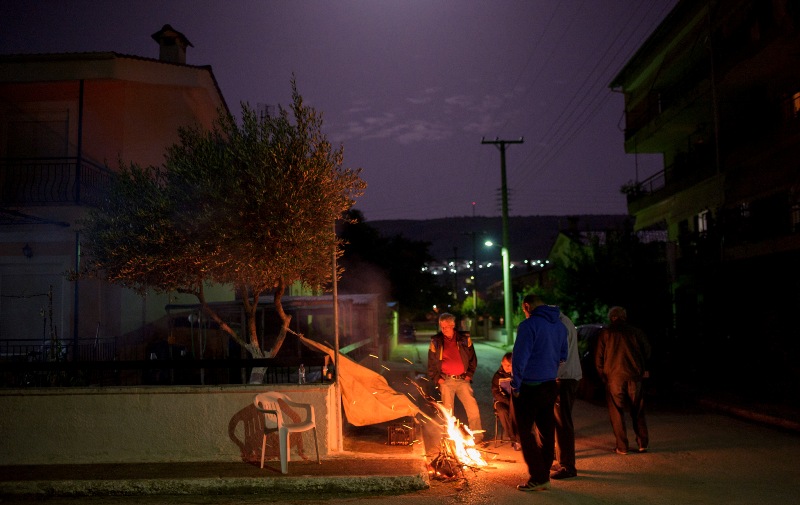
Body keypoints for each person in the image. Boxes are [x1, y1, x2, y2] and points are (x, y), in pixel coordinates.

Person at [511, 294, 568, 492]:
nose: (524, 313)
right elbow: (563, 356)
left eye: (524, 309)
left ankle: (538, 476)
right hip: (550, 385)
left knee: (525, 432)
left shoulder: (528, 325)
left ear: (527, 306)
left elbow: (519, 358)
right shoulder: (560, 325)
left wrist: (516, 386)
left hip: (530, 387)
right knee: (546, 431)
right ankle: (544, 475)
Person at [595, 306, 652, 455]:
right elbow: (647, 351)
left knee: (616, 412)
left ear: (611, 317)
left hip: (614, 378)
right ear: (624, 317)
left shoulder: (606, 333)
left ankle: (622, 446)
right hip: (634, 377)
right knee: (637, 410)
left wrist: (603, 376)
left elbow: (598, 358)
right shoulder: (635, 332)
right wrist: (641, 367)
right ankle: (642, 443)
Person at [428, 312, 483, 443]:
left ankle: (478, 436)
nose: (443, 330)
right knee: (448, 412)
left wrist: (469, 375)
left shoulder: (464, 339)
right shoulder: (436, 341)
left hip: (463, 380)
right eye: (441, 327)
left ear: (452, 325)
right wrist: (438, 379)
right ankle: (449, 438)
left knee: (473, 409)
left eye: (446, 327)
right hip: (446, 381)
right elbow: (431, 363)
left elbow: (472, 359)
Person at [551, 311, 582, 479]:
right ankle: (563, 461)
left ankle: (568, 467)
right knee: (560, 422)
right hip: (568, 377)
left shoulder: (559, 326)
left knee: (563, 423)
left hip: (563, 378)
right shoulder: (565, 321)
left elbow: (559, 357)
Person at [491, 352, 521, 450]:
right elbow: (496, 393)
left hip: (516, 401)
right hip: (501, 402)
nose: (507, 367)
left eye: (510, 365)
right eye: (505, 364)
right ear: (501, 363)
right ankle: (514, 439)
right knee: (504, 411)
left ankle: (521, 437)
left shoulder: (518, 375)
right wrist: (509, 402)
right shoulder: (498, 376)